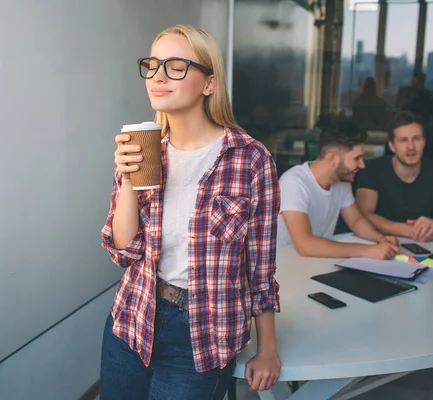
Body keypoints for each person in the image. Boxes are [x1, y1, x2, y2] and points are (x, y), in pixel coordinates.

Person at [100, 25, 281, 399]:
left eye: (176, 65)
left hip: (202, 337)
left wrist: (267, 350)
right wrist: (130, 181)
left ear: (209, 84)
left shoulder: (249, 159)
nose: (158, 76)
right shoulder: (142, 150)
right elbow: (124, 251)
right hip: (133, 319)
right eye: (152, 65)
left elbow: (260, 268)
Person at [277, 120, 400, 259]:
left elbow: (356, 221)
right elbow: (305, 246)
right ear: (333, 159)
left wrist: (380, 239)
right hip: (281, 269)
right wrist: (366, 250)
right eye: (357, 158)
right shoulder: (294, 183)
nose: (362, 165)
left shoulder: (341, 183)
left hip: (313, 263)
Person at [356, 110, 433, 242]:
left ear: (424, 142)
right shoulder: (373, 169)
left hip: (427, 247)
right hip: (379, 244)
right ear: (392, 145)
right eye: (403, 140)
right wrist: (410, 231)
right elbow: (364, 215)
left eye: (416, 139)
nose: (411, 147)